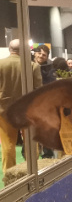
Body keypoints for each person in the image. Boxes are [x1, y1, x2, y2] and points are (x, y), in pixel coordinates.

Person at [0, 39, 42, 172]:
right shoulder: (33, 66)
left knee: (8, 145)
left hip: (4, 110)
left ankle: (9, 177)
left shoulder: (1, 64)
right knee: (30, 143)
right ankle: (32, 172)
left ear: (9, 49)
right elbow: (38, 90)